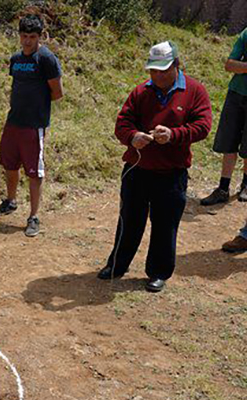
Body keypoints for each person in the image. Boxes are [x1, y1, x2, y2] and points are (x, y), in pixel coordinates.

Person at [97, 41, 212, 293]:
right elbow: (122, 123)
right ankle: (117, 265)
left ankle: (158, 272)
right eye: (153, 70)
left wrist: (174, 134)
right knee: (129, 219)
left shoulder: (195, 91)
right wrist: (132, 137)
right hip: (137, 169)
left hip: (172, 173)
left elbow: (203, 126)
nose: (157, 75)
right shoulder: (140, 92)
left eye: (163, 70)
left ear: (177, 65)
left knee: (165, 224)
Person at [0, 14, 63, 237]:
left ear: (39, 37)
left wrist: (36, 107)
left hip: (34, 125)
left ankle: (33, 216)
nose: (27, 41)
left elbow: (57, 93)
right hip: (13, 121)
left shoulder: (46, 59)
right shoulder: (16, 59)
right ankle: (10, 202)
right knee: (9, 164)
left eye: (32, 36)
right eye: (24, 36)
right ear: (19, 36)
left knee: (34, 171)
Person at [199, 27, 247, 206]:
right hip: (236, 93)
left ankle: (245, 185)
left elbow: (236, 65)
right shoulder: (246, 33)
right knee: (229, 141)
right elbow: (229, 65)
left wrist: (242, 66)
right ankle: (223, 188)